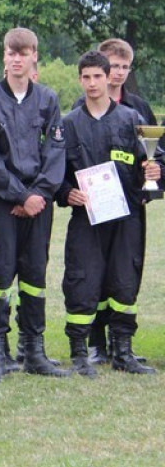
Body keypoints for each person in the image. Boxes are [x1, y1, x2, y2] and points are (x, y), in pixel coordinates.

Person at [0, 28, 68, 379]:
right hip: (3, 205)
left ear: (34, 58)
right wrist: (18, 195)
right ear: (4, 57)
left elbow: (56, 151)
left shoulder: (48, 99)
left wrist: (38, 196)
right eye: (10, 53)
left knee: (34, 276)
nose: (16, 58)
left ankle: (34, 351)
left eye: (23, 52)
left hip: (39, 206)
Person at [61, 51, 158, 376]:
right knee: (82, 281)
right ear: (80, 80)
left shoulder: (132, 120)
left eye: (97, 77)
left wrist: (154, 174)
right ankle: (79, 354)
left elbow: (152, 166)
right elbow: (54, 172)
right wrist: (65, 192)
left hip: (126, 217)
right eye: (86, 77)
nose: (92, 83)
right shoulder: (68, 124)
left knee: (124, 282)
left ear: (109, 78)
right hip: (86, 219)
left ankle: (124, 352)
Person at [85, 38, 156, 365]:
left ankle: (123, 345)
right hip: (94, 210)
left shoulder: (139, 109)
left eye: (125, 67)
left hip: (130, 208)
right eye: (113, 66)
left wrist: (150, 185)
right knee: (96, 276)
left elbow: (157, 157)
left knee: (126, 274)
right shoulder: (80, 105)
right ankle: (98, 345)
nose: (119, 74)